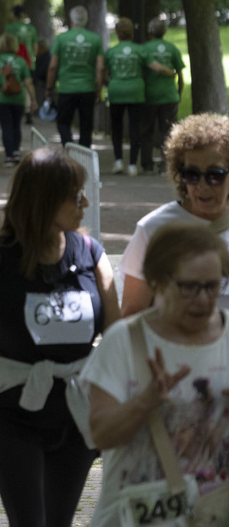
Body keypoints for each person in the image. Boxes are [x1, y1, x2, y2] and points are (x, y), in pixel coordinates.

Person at [0, 148, 120, 527]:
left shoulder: (92, 256)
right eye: (74, 194)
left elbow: (117, 338)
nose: (85, 202)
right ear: (43, 199)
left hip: (76, 410)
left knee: (58, 520)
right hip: (10, 413)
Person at [81, 222, 229, 527]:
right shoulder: (124, 341)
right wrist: (144, 402)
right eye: (190, 287)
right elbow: (100, 435)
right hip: (134, 517)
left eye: (213, 286)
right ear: (158, 282)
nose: (203, 299)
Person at [120, 113, 229, 317]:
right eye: (192, 175)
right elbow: (131, 313)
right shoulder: (152, 229)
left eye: (215, 175)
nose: (202, 186)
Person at [45, 5, 104, 148]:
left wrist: (49, 88)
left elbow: (52, 66)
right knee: (86, 125)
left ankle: (69, 148)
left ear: (71, 19)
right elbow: (100, 67)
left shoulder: (61, 39)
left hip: (66, 88)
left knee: (63, 123)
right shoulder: (95, 39)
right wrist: (99, 88)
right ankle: (84, 155)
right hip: (88, 88)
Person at [140, 17, 185, 174]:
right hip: (169, 96)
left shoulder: (144, 49)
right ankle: (166, 164)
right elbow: (180, 74)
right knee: (168, 131)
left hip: (149, 96)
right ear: (164, 32)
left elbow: (141, 73)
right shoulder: (172, 48)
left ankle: (147, 164)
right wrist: (178, 93)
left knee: (147, 130)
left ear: (150, 32)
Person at [105, 17, 150, 176]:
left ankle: (118, 161)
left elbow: (105, 72)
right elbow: (148, 68)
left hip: (116, 91)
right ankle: (132, 164)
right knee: (134, 127)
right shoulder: (140, 50)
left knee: (116, 127)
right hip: (136, 91)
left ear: (118, 33)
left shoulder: (111, 51)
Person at [0, 32, 36, 166]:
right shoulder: (21, 61)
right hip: (18, 98)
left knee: (6, 127)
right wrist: (33, 99)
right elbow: (28, 82)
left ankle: (9, 155)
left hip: (1, 98)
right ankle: (16, 151)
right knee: (16, 126)